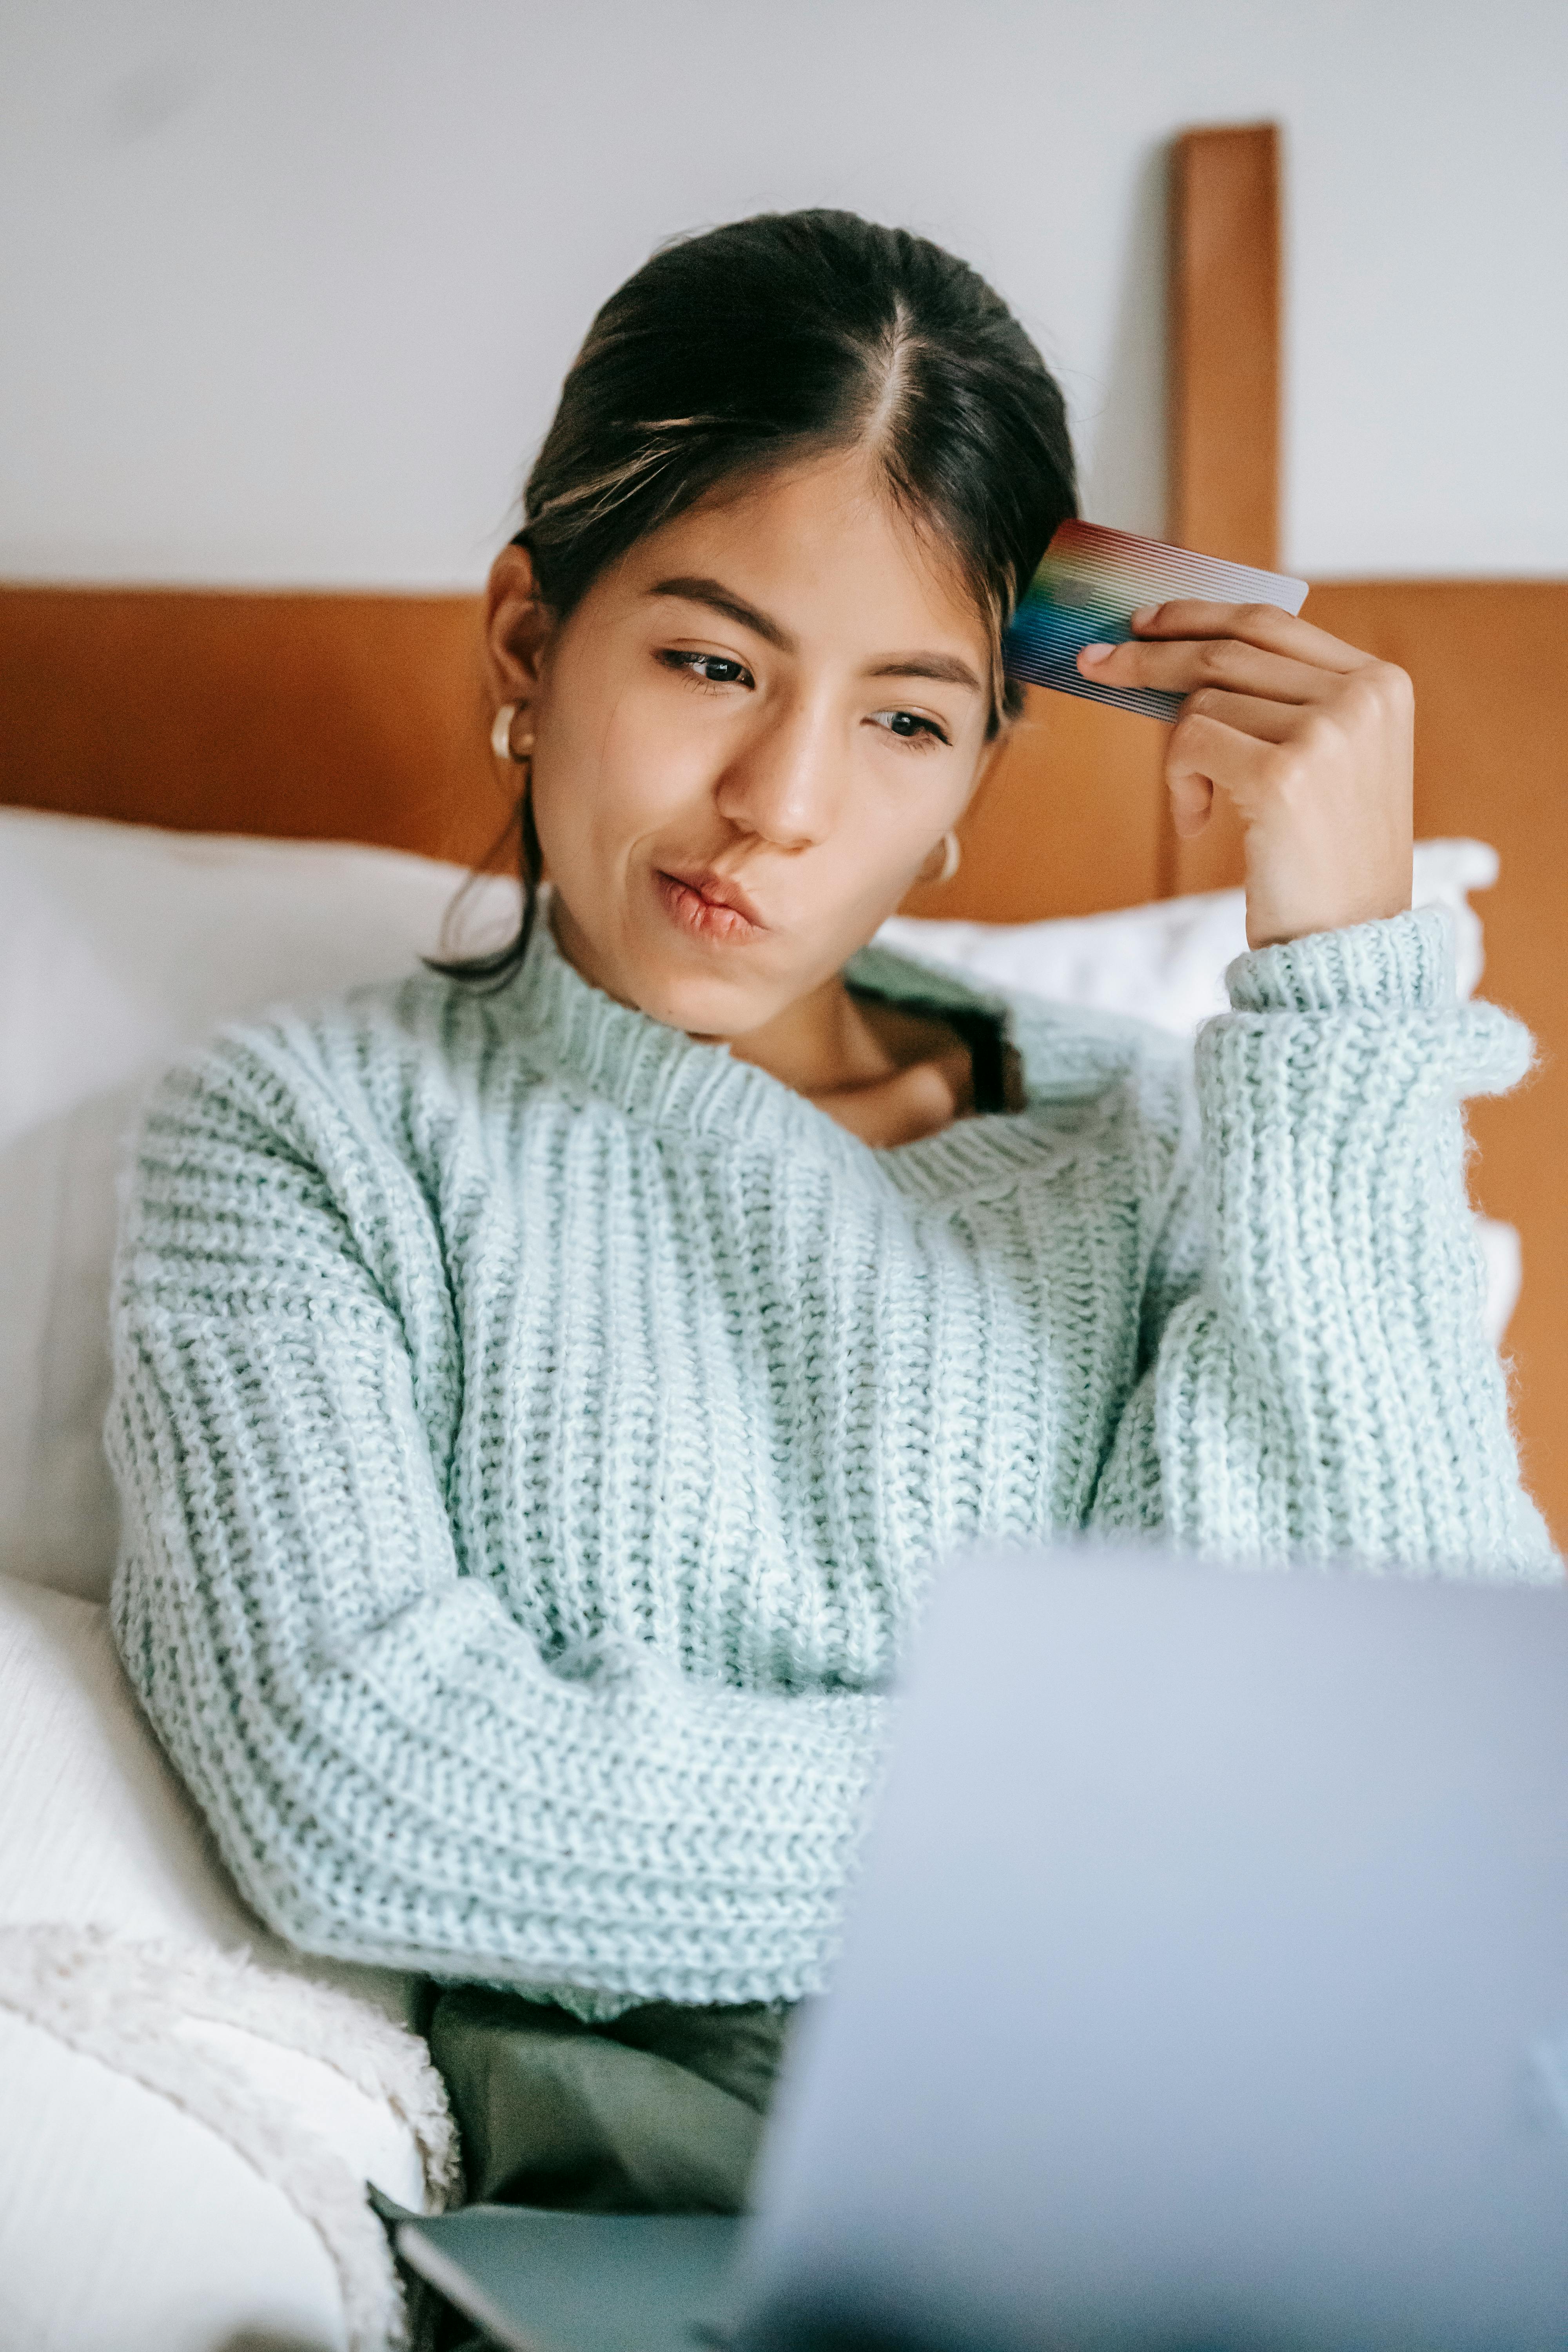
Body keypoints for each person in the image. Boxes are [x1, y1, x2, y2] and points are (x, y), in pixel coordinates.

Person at [107, 210, 1555, 2219]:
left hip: (1279, 2190)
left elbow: (1423, 1735)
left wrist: (1342, 980)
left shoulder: (1169, 1137)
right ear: (533, 642)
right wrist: (1158, 1826)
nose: (779, 799)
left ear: (976, 758)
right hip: (699, 2222)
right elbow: (369, 1792)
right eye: (710, 661)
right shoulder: (308, 1140)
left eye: (900, 715)